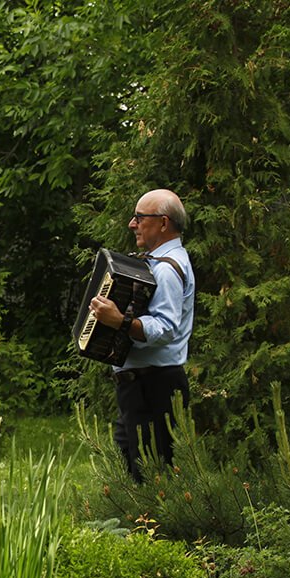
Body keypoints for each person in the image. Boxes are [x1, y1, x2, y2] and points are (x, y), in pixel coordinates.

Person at [88, 188, 195, 482]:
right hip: (141, 386)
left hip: (155, 385)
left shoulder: (168, 270)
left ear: (163, 223)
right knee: (132, 470)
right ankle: (137, 526)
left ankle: (153, 528)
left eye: (139, 218)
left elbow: (166, 329)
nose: (132, 224)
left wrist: (119, 321)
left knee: (152, 476)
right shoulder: (154, 263)